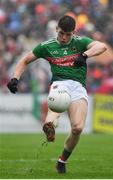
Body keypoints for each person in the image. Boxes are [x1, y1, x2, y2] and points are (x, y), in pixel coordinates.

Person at [7, 15, 107, 173]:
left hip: (77, 87)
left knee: (78, 128)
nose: (64, 38)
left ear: (74, 32)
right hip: (59, 84)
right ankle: (50, 126)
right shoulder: (47, 46)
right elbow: (24, 60)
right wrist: (15, 78)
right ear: (56, 30)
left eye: (68, 34)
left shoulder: (80, 42)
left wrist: (85, 55)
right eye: (61, 33)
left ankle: (62, 160)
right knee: (57, 102)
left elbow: (102, 46)